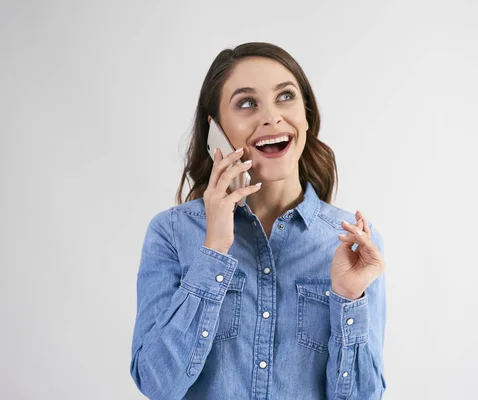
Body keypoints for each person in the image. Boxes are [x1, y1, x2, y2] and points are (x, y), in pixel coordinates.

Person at [129, 42, 387, 400]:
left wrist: (347, 297)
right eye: (247, 103)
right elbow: (157, 384)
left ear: (307, 115)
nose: (271, 117)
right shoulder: (172, 233)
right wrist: (213, 253)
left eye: (285, 97)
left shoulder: (350, 243)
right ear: (215, 129)